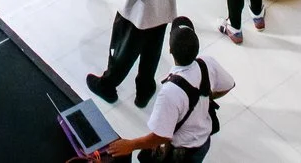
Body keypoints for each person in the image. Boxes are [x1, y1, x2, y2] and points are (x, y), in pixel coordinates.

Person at [86, 20, 233, 161]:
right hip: (204, 141)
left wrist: (130, 145)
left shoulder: (170, 92)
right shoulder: (207, 63)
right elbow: (228, 85)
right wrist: (206, 98)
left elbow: (161, 136)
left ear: (170, 50)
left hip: (182, 152)